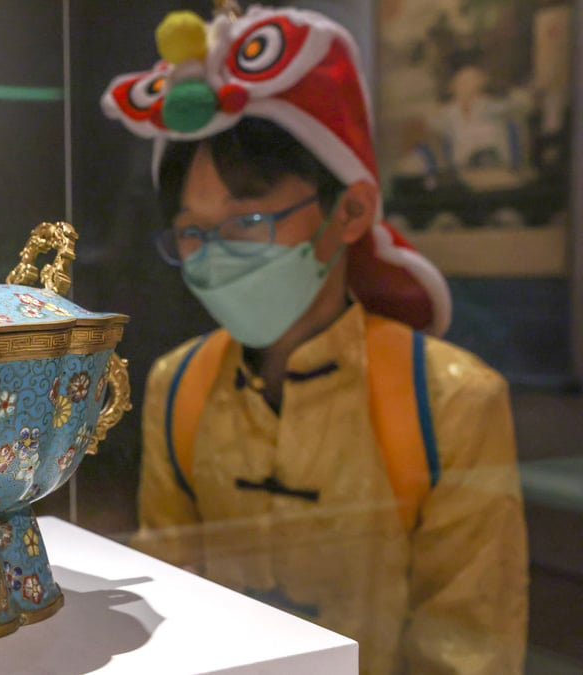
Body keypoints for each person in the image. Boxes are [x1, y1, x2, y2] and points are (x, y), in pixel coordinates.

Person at [100, 4, 528, 674]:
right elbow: (167, 604)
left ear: (350, 210)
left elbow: (467, 648)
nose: (213, 256)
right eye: (193, 231)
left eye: (249, 219)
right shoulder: (176, 385)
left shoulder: (449, 401)